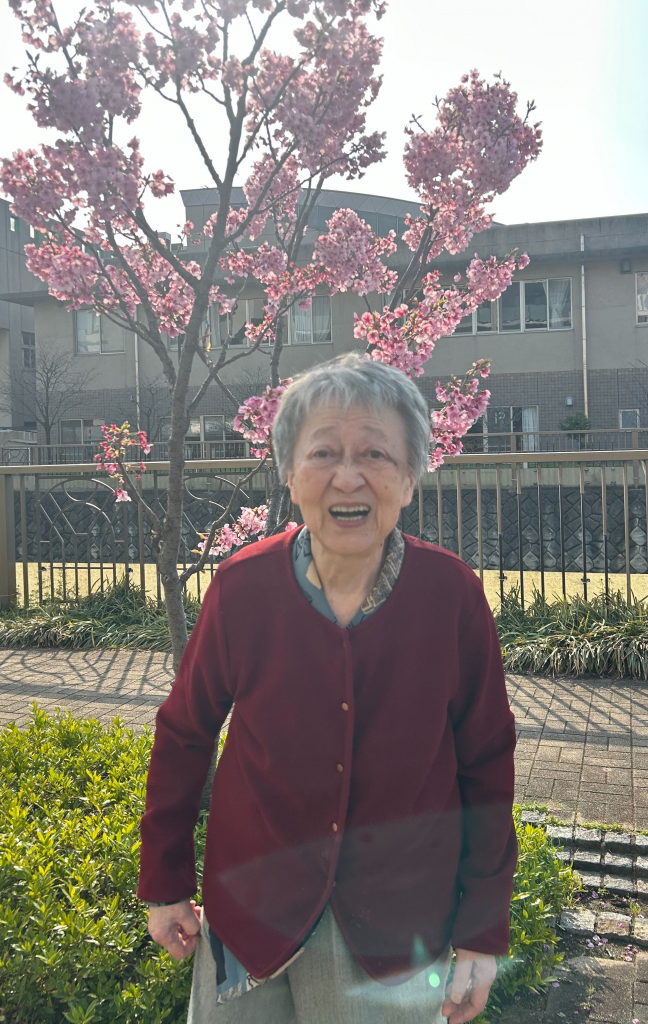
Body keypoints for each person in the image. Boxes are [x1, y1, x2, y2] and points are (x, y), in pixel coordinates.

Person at [139, 353, 517, 1024]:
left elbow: (486, 764)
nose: (348, 477)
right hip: (248, 913)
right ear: (289, 473)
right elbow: (185, 731)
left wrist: (482, 931)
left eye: (375, 454)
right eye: (323, 453)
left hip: (396, 934)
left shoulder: (451, 595)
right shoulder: (242, 587)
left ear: (410, 477)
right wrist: (165, 880)